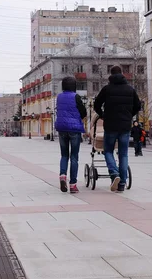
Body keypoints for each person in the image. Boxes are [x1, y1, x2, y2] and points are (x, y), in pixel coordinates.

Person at [94, 65, 141, 193]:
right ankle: (122, 183)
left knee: (108, 151)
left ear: (111, 74)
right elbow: (138, 105)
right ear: (122, 74)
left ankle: (114, 174)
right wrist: (129, 115)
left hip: (110, 125)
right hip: (125, 126)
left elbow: (96, 104)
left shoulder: (107, 89)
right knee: (123, 154)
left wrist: (102, 115)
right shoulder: (130, 89)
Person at [55, 76, 87, 194]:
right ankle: (73, 184)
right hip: (74, 129)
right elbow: (83, 111)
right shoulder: (76, 97)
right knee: (74, 156)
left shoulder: (59, 97)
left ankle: (63, 175)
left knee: (64, 155)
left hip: (62, 128)